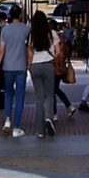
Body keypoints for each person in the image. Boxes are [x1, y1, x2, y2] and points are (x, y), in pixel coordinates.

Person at [0, 5, 30, 138]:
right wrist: (29, 64)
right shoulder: (26, 29)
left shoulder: (5, 30)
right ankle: (17, 127)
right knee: (20, 97)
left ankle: (7, 120)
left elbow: (1, 50)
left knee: (8, 94)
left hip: (7, 67)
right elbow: (29, 48)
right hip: (21, 67)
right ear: (20, 15)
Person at [27, 10, 59, 138]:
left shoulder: (31, 35)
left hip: (35, 66)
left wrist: (29, 66)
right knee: (49, 95)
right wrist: (53, 58)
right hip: (48, 65)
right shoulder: (52, 33)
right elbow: (58, 51)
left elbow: (30, 53)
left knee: (39, 98)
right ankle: (49, 118)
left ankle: (40, 131)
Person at [51, 20, 76, 120]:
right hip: (61, 67)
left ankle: (55, 114)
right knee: (56, 89)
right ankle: (69, 106)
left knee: (52, 91)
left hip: (54, 67)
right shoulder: (62, 37)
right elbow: (66, 51)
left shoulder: (51, 37)